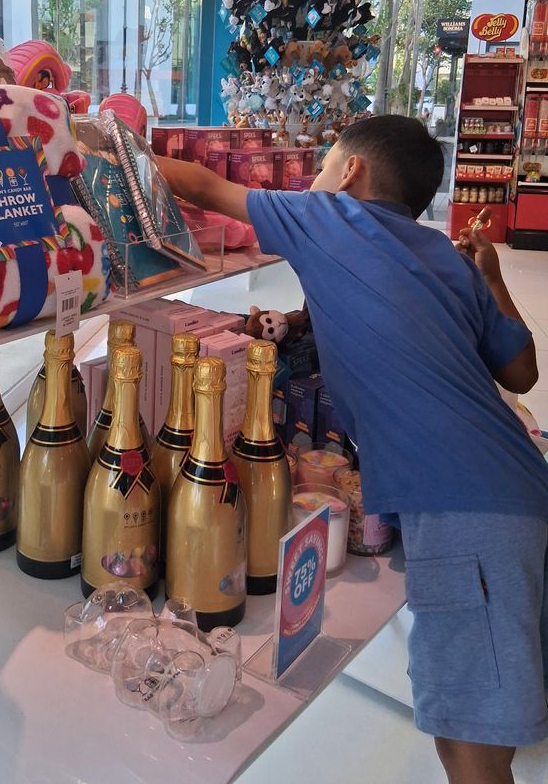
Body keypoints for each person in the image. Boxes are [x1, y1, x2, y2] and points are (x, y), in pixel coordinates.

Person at [157, 115, 547, 784]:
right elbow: (522, 373)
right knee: (495, 719)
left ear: (351, 172)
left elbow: (199, 182)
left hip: (465, 515)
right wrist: (487, 273)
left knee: (467, 746)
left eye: (324, 163)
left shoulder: (329, 215)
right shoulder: (443, 258)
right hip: (522, 488)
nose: (313, 179)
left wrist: (86, 149)